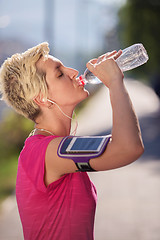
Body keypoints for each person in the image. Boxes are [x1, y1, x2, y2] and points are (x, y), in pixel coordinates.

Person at [0, 42, 144, 240]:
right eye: (60, 74)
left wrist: (115, 81)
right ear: (41, 98)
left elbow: (123, 143)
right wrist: (114, 83)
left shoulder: (52, 146)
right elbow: (128, 148)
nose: (74, 71)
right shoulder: (45, 151)